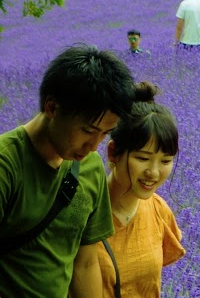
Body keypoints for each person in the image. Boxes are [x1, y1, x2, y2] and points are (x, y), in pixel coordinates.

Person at [0, 45, 137, 298]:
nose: (94, 146)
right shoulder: (6, 164)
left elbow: (85, 263)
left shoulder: (91, 168)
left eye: (105, 134)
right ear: (52, 108)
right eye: (87, 130)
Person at [96, 83, 185, 298]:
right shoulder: (84, 212)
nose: (153, 173)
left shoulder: (158, 210)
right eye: (143, 158)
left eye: (165, 161)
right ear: (113, 153)